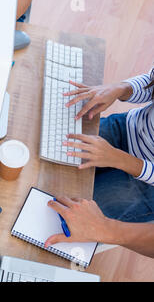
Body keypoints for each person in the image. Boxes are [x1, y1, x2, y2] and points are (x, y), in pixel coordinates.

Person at [43, 66, 154, 258]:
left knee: (54, 220)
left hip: (147, 186)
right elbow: (151, 81)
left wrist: (119, 159)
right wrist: (122, 88)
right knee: (47, 154)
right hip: (129, 128)